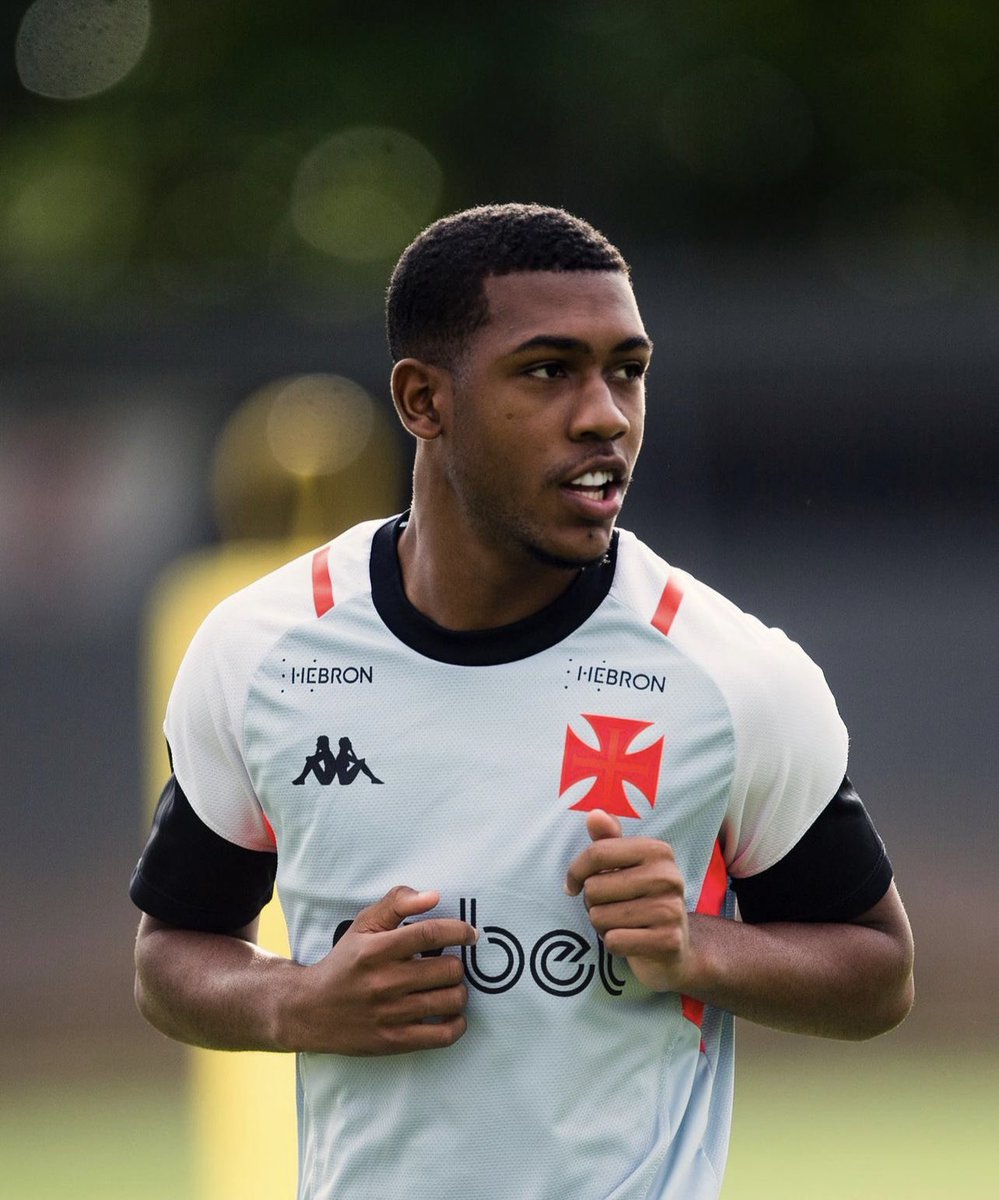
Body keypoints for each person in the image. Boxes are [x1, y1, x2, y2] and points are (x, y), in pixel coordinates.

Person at [130, 203, 914, 1200]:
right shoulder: (263, 651)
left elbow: (878, 973)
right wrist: (298, 1001)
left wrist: (697, 946)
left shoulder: (732, 676)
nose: (605, 416)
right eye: (548, 371)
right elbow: (172, 956)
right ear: (423, 400)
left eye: (627, 370)